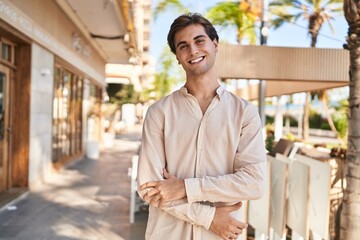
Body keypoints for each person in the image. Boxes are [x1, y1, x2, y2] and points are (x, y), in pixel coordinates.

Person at [137, 12, 266, 240]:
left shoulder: (244, 113)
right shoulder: (159, 112)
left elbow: (254, 183)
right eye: (183, 46)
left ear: (215, 45)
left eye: (199, 41)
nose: (193, 51)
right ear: (177, 57)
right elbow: (149, 189)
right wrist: (208, 218)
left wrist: (186, 187)